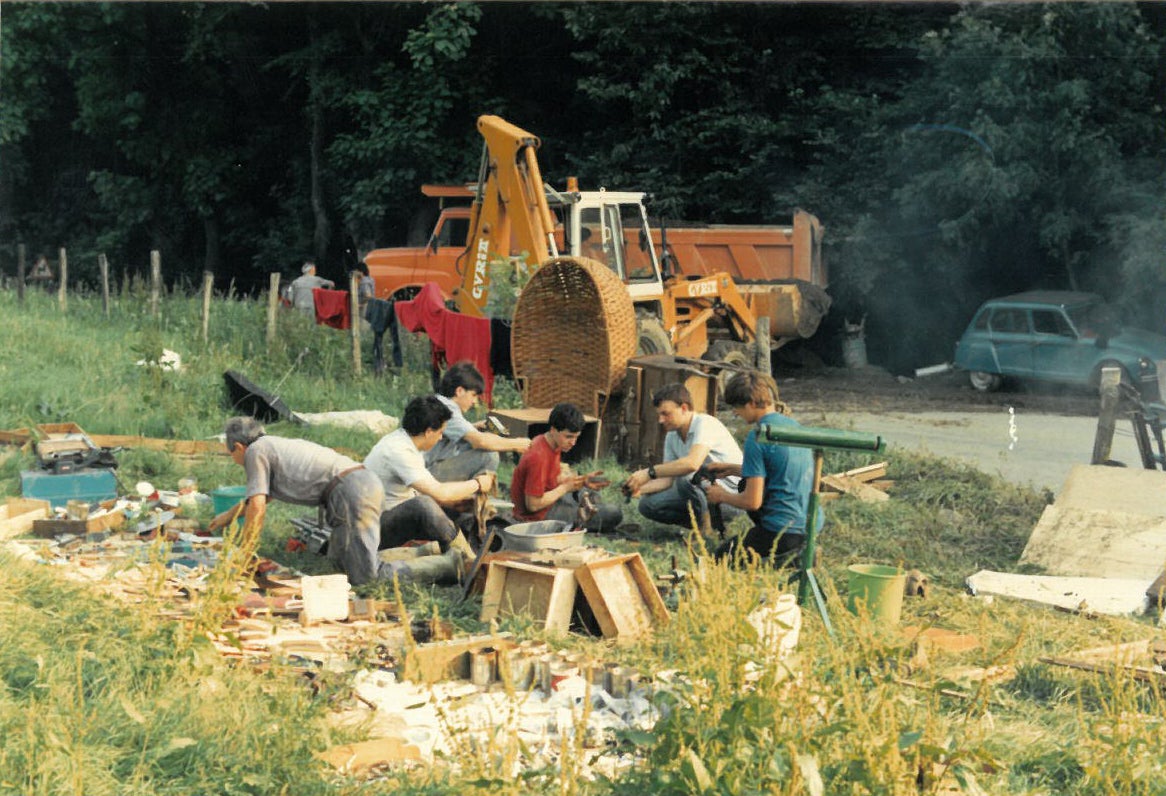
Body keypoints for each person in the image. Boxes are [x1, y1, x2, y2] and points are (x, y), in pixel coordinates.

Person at [208, 416, 388, 586]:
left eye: (231, 454)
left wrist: (246, 553)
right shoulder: (269, 446)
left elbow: (257, 506)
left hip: (352, 490)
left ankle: (413, 569)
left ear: (239, 447)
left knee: (365, 577)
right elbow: (261, 496)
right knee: (337, 566)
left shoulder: (255, 452)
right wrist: (228, 516)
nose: (234, 460)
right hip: (357, 485)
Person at [704, 371, 819, 568]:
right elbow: (780, 471)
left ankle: (783, 557)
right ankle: (796, 552)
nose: (735, 414)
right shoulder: (794, 427)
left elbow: (752, 502)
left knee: (719, 559)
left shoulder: (758, 436)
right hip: (810, 527)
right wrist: (733, 469)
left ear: (749, 404)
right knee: (745, 481)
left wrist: (721, 495)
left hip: (781, 531)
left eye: (737, 408)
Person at [364, 395, 487, 563]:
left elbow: (432, 491)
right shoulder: (397, 450)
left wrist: (454, 503)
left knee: (456, 510)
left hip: (390, 516)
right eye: (440, 432)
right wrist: (477, 483)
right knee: (424, 505)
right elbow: (440, 493)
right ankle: (468, 560)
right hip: (372, 529)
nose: (441, 438)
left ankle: (466, 549)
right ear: (429, 431)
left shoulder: (406, 441)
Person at [622, 382, 744, 533]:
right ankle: (701, 524)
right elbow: (667, 480)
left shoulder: (706, 424)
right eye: (659, 414)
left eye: (665, 414)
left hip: (733, 498)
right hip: (702, 492)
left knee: (686, 477)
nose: (660, 420)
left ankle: (708, 529)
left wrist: (648, 473)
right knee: (647, 505)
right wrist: (639, 487)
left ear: (684, 408)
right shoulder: (672, 435)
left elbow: (692, 464)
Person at [510, 402, 622, 532]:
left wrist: (581, 480)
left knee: (593, 488)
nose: (573, 442)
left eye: (576, 437)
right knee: (614, 512)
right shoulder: (538, 456)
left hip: (551, 499)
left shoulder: (551, 442)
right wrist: (565, 488)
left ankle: (587, 506)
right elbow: (533, 505)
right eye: (568, 437)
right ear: (553, 430)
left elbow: (551, 480)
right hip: (537, 516)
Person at [425, 361, 531, 482]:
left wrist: (474, 426)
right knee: (488, 456)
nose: (474, 402)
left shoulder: (441, 402)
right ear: (459, 391)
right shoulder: (447, 410)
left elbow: (452, 431)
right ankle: (472, 496)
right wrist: (516, 444)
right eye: (473, 395)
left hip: (427, 467)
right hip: (426, 474)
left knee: (473, 443)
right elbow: (480, 441)